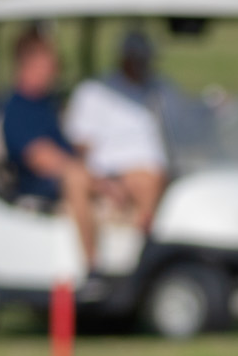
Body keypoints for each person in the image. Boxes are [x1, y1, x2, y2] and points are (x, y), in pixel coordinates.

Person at [0, 27, 102, 277]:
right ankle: (92, 267)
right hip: (39, 186)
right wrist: (99, 182)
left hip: (68, 176)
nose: (56, 69)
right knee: (76, 178)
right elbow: (43, 159)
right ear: (29, 63)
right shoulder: (17, 111)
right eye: (51, 62)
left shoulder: (48, 103)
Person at [63, 29, 168, 232]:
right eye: (136, 58)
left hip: (148, 171)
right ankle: (137, 246)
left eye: (144, 59)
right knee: (147, 179)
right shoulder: (94, 92)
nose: (141, 65)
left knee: (153, 178)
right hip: (108, 171)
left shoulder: (159, 88)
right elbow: (80, 145)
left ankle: (146, 240)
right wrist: (104, 183)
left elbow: (187, 120)